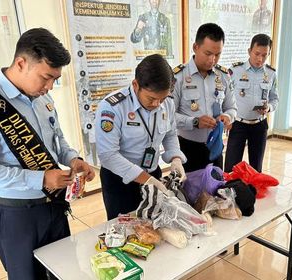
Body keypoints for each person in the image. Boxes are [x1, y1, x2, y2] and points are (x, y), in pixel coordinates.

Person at [0, 28, 95, 280]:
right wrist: (40, 179)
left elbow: (58, 140)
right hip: (18, 213)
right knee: (26, 276)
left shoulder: (42, 98)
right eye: (46, 77)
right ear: (21, 63)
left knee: (61, 271)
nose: (50, 86)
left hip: (54, 205)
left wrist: (74, 159)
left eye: (55, 79)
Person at [96, 54, 186, 220]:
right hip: (120, 181)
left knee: (155, 225)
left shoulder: (167, 103)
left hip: (152, 173)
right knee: (125, 231)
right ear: (135, 85)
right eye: (151, 98)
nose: (157, 104)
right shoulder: (112, 107)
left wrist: (175, 158)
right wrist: (147, 180)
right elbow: (108, 155)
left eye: (162, 98)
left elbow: (170, 134)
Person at [172, 23, 237, 172]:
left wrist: (227, 116)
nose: (212, 60)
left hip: (216, 147)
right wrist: (194, 122)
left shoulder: (224, 76)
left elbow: (232, 107)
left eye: (217, 54)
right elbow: (168, 116)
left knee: (217, 191)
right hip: (188, 148)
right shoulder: (178, 77)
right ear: (195, 47)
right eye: (208, 53)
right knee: (190, 193)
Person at [224, 34, 278, 173]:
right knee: (231, 167)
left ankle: (252, 194)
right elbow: (224, 96)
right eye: (257, 54)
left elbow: (275, 99)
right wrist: (227, 117)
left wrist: (269, 108)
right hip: (238, 125)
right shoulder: (235, 71)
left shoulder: (271, 74)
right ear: (249, 51)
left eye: (264, 55)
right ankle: (228, 193)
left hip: (259, 126)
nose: (260, 59)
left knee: (256, 169)